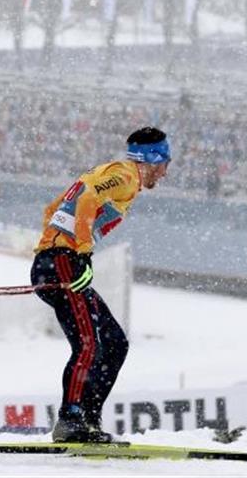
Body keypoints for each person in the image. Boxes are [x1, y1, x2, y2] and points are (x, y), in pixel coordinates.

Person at [31, 126, 171, 443]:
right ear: (154, 159)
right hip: (63, 263)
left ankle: (88, 420)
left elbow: (52, 209)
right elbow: (88, 200)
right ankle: (71, 420)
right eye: (165, 164)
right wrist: (77, 253)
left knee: (115, 344)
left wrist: (51, 247)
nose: (164, 174)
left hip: (57, 262)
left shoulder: (116, 175)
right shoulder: (126, 175)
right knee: (89, 345)